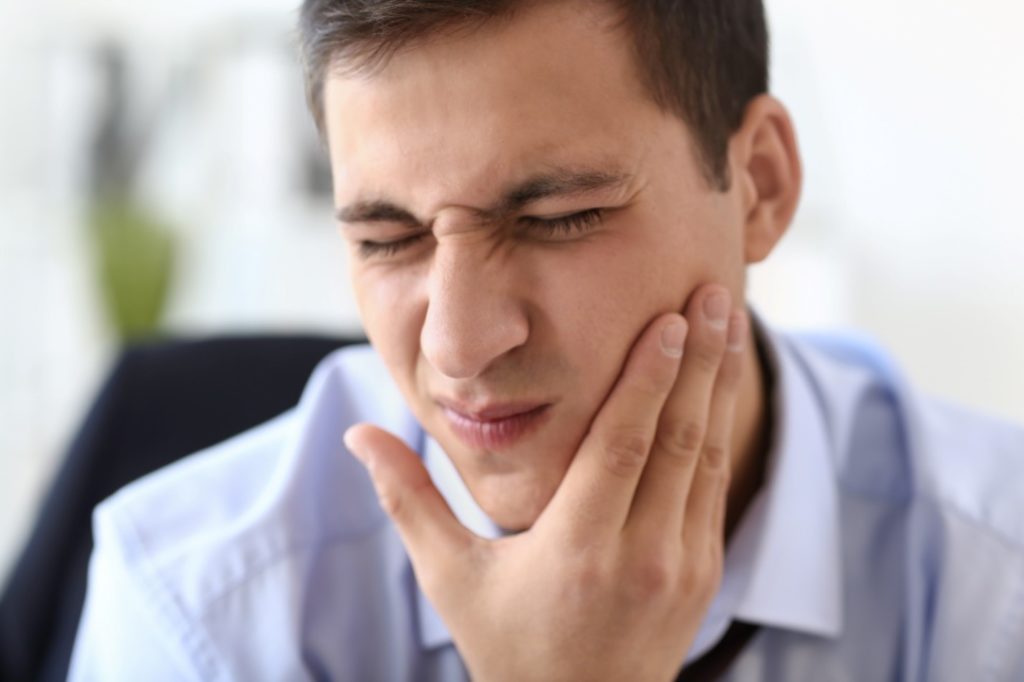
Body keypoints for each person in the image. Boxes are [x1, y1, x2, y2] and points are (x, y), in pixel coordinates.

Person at [68, 1, 1024, 680]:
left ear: (761, 189)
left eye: (560, 215)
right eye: (386, 238)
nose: (457, 344)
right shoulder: (194, 608)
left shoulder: (996, 583)